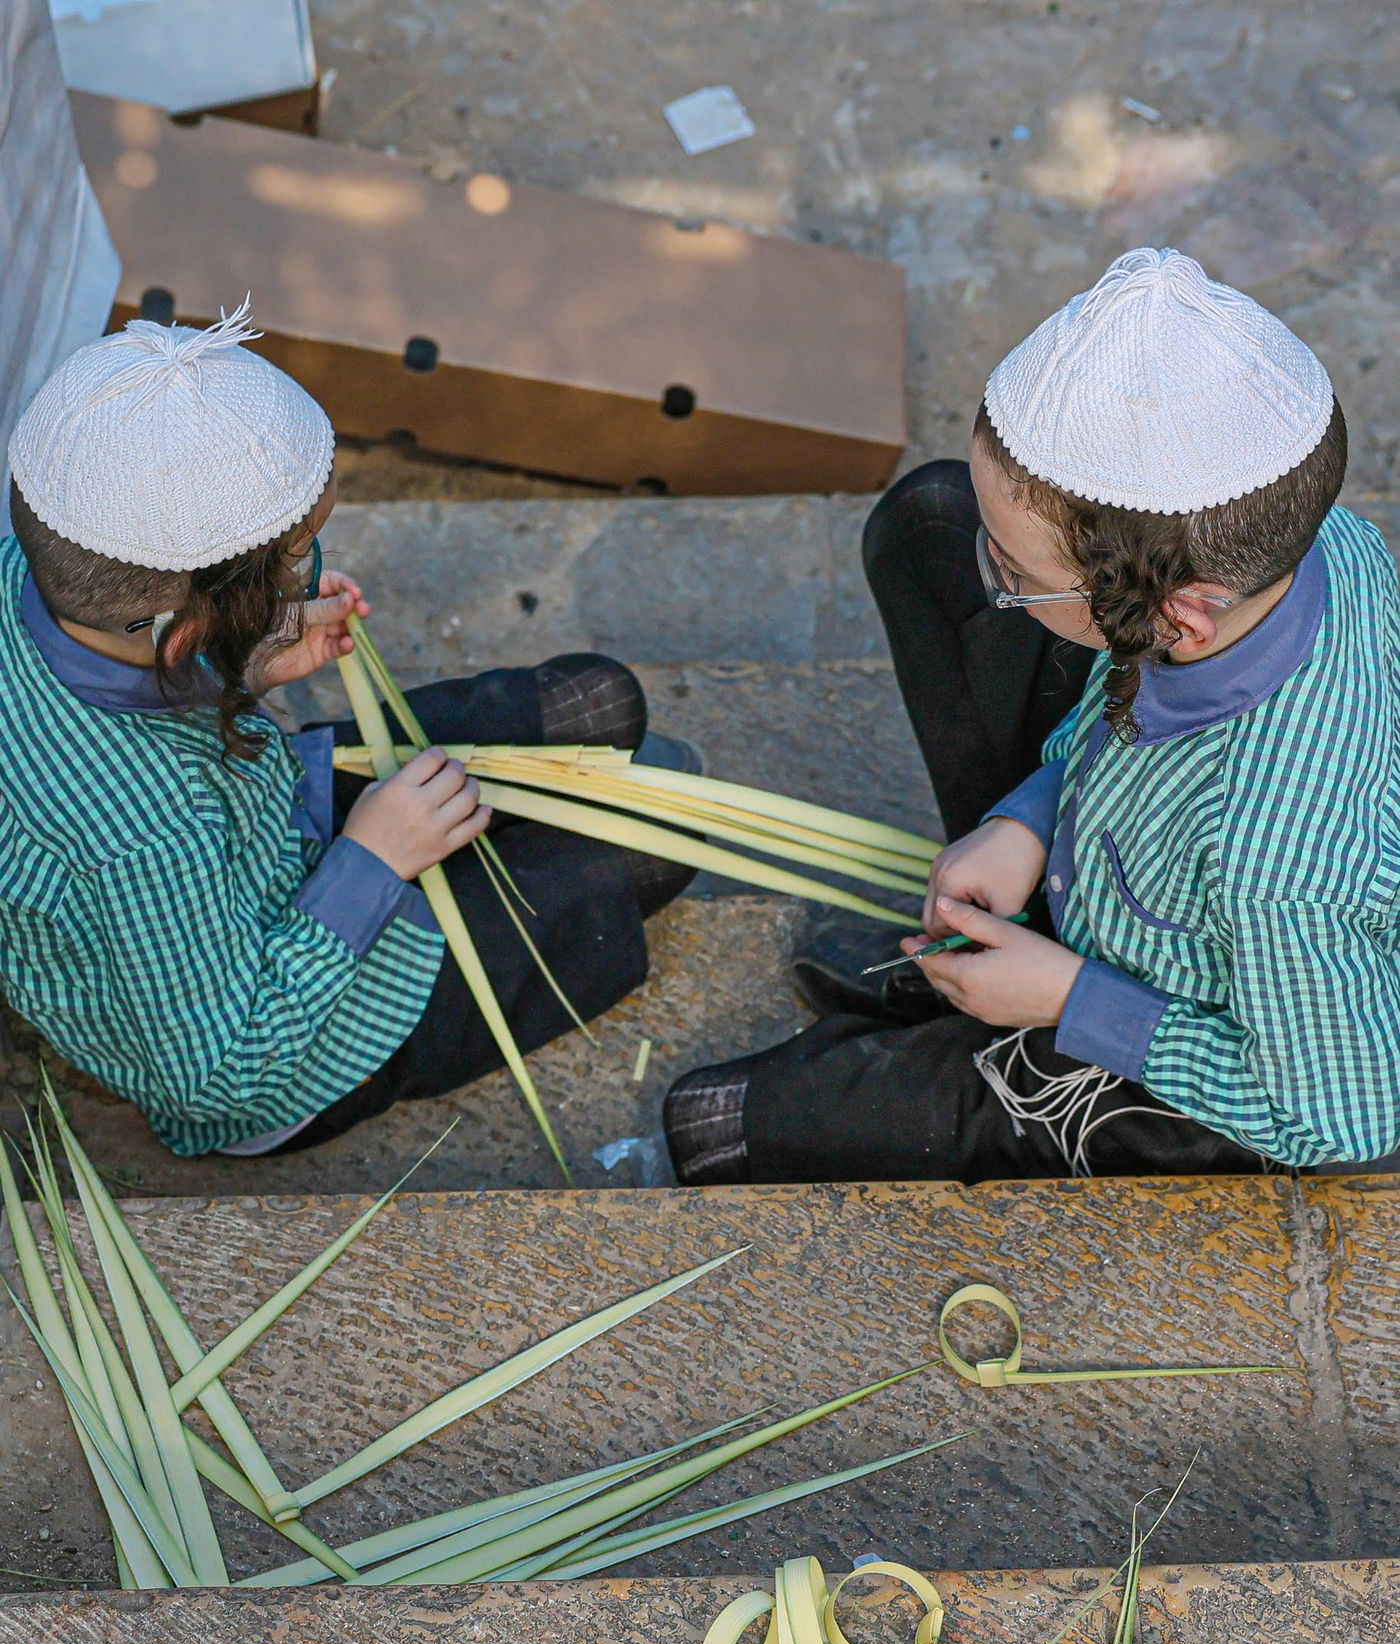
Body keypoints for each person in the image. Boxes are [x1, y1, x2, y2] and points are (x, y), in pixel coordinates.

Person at [663, 246, 1400, 1185]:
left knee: (713, 1125)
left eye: (1015, 577)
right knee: (926, 517)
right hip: (1134, 862)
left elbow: (1346, 1115)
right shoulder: (1316, 540)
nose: (991, 576)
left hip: (1215, 1044)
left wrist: (1072, 998)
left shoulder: (1279, 875)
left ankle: (1018, 981)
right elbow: (1127, 689)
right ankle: (1016, 932)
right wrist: (1031, 814)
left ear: (1181, 614)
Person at [0, 303, 695, 1158]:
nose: (309, 573)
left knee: (599, 703)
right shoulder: (137, 838)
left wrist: (247, 661)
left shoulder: (42, 581)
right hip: (293, 1041)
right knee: (659, 835)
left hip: (263, 827)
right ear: (184, 633)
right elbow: (215, 1071)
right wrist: (372, 860)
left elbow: (146, 681)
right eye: (296, 561)